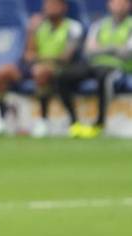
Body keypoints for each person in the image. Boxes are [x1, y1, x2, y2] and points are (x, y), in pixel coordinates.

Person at [0, 0, 83, 137]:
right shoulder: (38, 26)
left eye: (53, 5)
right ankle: (2, 120)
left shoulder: (73, 27)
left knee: (41, 72)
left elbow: (65, 57)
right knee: (0, 73)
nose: (49, 8)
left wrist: (40, 59)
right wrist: (31, 31)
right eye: (47, 5)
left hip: (58, 68)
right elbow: (28, 54)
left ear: (63, 7)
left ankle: (43, 121)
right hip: (34, 66)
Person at [56, 0, 131, 138]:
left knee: (105, 78)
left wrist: (102, 48)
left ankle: (100, 123)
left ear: (129, 5)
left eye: (123, 3)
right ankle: (74, 121)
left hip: (118, 67)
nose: (119, 6)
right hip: (94, 64)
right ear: (109, 5)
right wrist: (114, 48)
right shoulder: (99, 24)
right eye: (116, 2)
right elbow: (88, 50)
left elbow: (127, 52)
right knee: (63, 76)